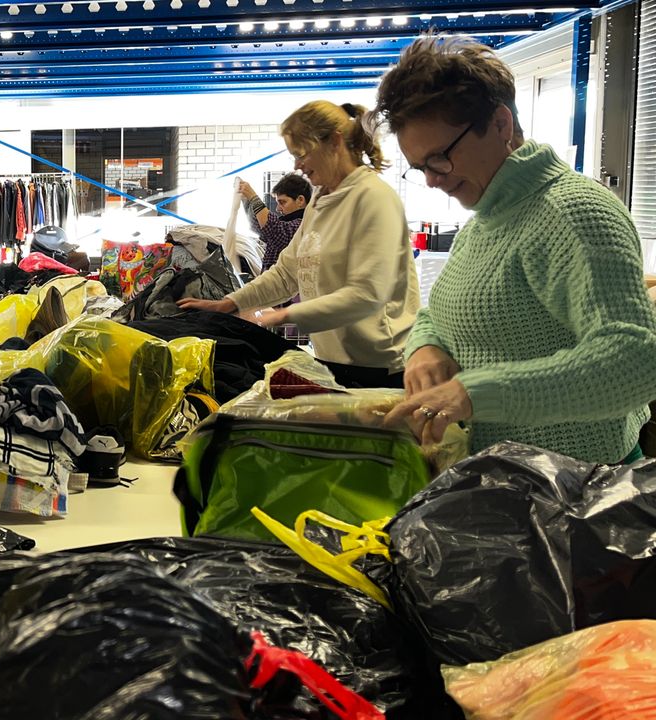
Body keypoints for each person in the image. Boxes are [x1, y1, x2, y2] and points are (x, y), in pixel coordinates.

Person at [378, 36, 656, 464]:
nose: (433, 180)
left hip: (575, 490)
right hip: (506, 482)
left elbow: (634, 363)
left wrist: (473, 393)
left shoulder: (573, 213)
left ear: (502, 125)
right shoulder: (486, 219)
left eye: (440, 158)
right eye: (420, 168)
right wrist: (425, 347)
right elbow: (443, 312)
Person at [179, 101, 419, 388]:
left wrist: (281, 316)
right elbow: (287, 272)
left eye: (301, 153)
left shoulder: (373, 198)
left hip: (380, 368)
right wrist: (230, 304)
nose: (297, 166)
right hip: (335, 361)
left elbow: (367, 294)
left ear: (334, 142)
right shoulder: (320, 200)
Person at [237, 173, 312, 271]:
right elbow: (261, 227)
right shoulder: (287, 222)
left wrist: (253, 197)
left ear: (300, 200)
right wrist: (247, 202)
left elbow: (275, 230)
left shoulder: (303, 226)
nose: (278, 208)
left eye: (282, 202)